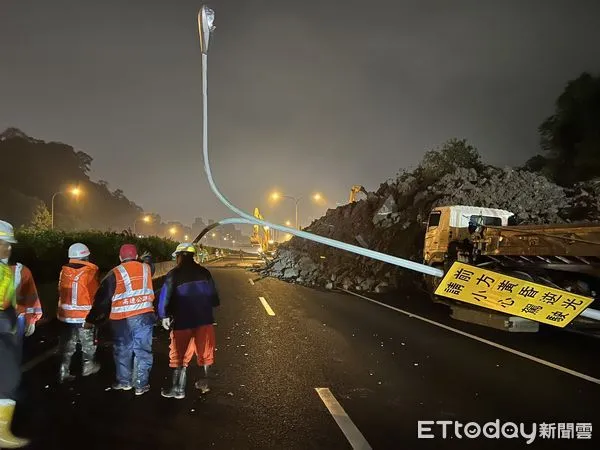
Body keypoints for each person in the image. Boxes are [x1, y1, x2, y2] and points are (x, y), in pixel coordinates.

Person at [86, 244, 155, 396]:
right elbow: (151, 264)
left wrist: (91, 318)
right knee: (142, 351)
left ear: (120, 258)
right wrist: (146, 258)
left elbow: (102, 299)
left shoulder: (114, 273)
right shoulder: (146, 268)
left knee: (123, 350)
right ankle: (140, 385)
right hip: (144, 316)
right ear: (136, 256)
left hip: (121, 320)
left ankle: (124, 382)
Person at [158, 242, 220, 399]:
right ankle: (205, 383)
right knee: (206, 352)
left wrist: (163, 315)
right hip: (204, 320)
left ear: (179, 256)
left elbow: (165, 297)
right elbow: (214, 299)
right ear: (193, 256)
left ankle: (178, 389)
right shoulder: (204, 272)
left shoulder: (174, 274)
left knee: (180, 354)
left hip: (182, 321)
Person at [0, 220, 29, 448]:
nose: (9, 248)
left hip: (6, 326)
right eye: (5, 244)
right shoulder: (9, 271)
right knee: (9, 377)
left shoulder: (8, 271)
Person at [57, 243, 101, 382]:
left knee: (67, 344)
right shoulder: (90, 272)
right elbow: (95, 294)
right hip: (84, 317)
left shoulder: (63, 271)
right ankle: (88, 367)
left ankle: (63, 370)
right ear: (86, 256)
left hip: (65, 316)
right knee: (88, 343)